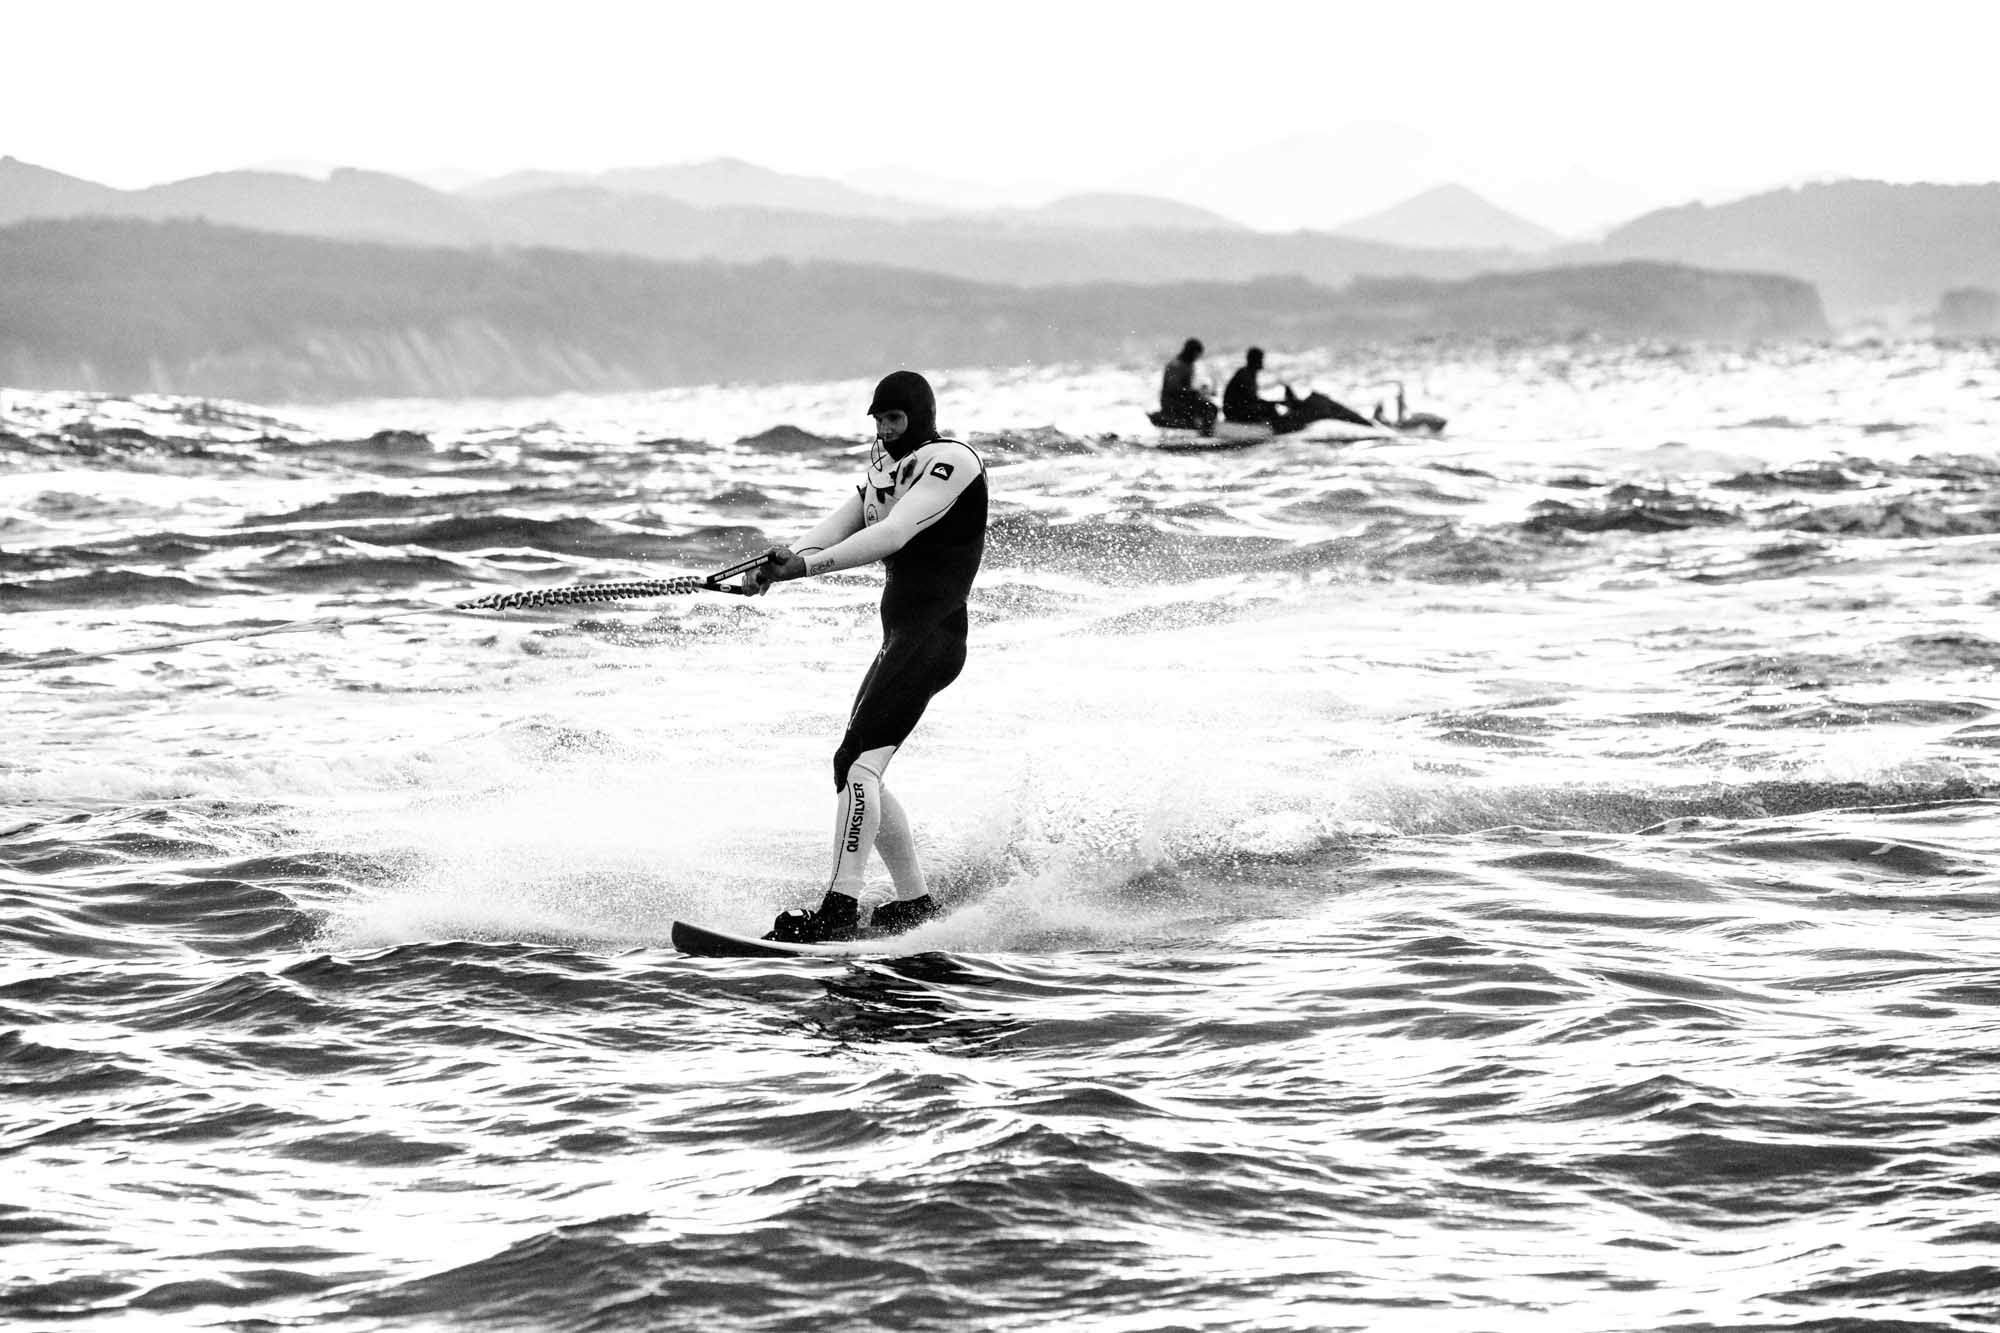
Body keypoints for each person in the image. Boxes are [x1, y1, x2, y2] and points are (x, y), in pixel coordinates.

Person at [741, 370, 988, 943]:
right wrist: (777, 567)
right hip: (902, 639)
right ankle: (914, 904)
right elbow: (836, 526)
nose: (885, 429)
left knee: (858, 766)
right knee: (853, 767)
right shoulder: (884, 468)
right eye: (878, 419)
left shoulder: (951, 462)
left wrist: (805, 568)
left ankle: (838, 911)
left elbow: (894, 533)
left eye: (895, 419)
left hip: (933, 639)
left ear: (920, 417)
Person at [1156, 338, 1218, 433]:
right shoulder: (1176, 365)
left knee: (1208, 404)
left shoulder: (1188, 364)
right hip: (1172, 402)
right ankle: (1206, 434)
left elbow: (1186, 388)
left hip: (1182, 399)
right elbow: (1173, 389)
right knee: (1209, 408)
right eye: (1197, 354)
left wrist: (1201, 390)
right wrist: (1194, 392)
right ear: (1192, 352)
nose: (1197, 357)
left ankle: (1204, 430)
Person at [1222, 346, 1289, 427]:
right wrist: (1274, 403)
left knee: (1267, 407)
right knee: (1268, 408)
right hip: (1235, 412)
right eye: (1260, 359)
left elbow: (1251, 399)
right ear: (1254, 360)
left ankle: (1276, 426)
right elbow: (1251, 399)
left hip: (1236, 409)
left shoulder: (1248, 373)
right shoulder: (1245, 374)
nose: (1262, 362)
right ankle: (1278, 427)